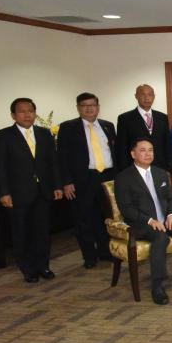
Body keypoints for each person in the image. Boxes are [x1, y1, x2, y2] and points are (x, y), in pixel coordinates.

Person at [114, 138, 172, 305]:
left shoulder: (160, 173)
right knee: (160, 238)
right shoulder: (124, 178)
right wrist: (150, 220)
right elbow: (126, 209)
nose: (148, 154)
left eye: (150, 150)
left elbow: (171, 199)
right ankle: (157, 285)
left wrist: (171, 215)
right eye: (143, 150)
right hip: (142, 223)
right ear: (133, 154)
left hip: (166, 219)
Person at [0, 98, 63, 283]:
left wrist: (57, 185)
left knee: (42, 232)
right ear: (13, 115)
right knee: (22, 233)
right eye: (22, 111)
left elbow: (53, 162)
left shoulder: (44, 133)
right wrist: (3, 193)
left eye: (31, 111)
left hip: (43, 192)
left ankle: (43, 266)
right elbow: (0, 167)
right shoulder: (3, 136)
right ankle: (28, 269)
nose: (27, 115)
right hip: (17, 194)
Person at [57, 92, 116, 268]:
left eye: (92, 105)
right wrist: (66, 182)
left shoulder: (108, 126)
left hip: (107, 177)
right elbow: (62, 157)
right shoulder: (68, 127)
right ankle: (89, 256)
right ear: (78, 108)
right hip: (83, 179)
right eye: (84, 105)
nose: (89, 108)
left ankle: (105, 252)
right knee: (83, 219)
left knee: (106, 218)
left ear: (98, 107)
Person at [116, 84, 171, 171]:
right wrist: (124, 171)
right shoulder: (125, 118)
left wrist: (169, 167)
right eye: (143, 94)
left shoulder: (162, 117)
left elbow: (167, 144)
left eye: (150, 94)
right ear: (136, 96)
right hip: (135, 168)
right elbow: (122, 147)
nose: (146, 98)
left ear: (154, 97)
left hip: (160, 167)